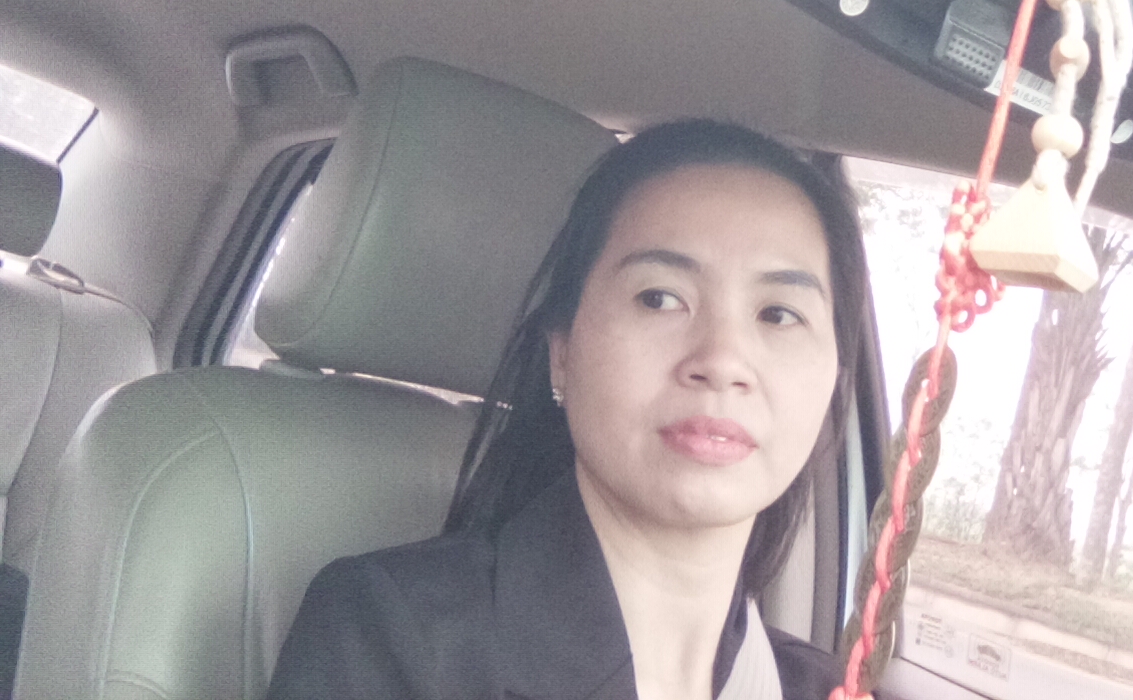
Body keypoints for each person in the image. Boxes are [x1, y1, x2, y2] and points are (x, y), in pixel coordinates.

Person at [266, 119, 867, 700]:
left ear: (833, 380)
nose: (722, 360)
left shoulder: (829, 688)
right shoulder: (396, 640)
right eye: (659, 298)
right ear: (561, 353)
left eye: (779, 314)